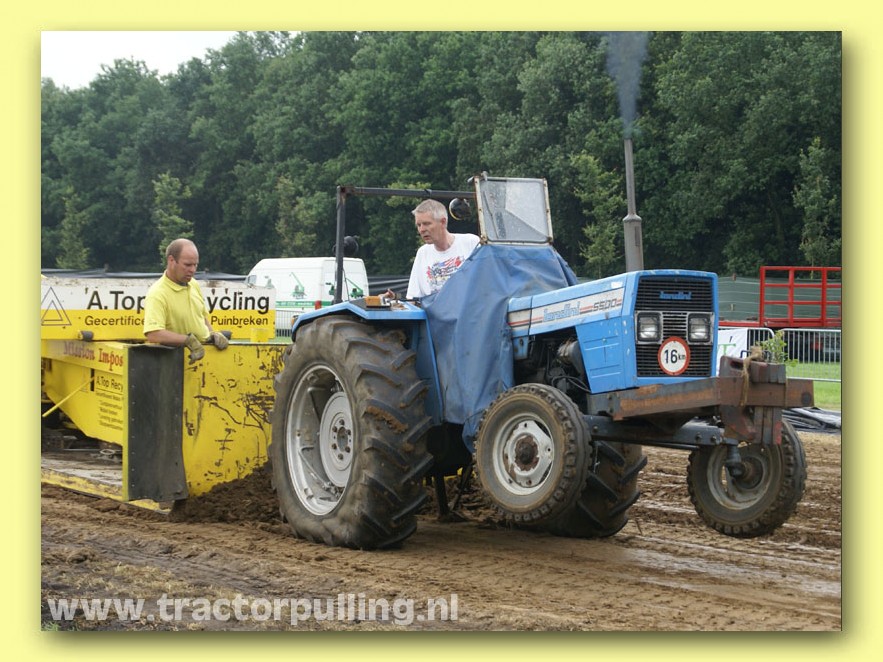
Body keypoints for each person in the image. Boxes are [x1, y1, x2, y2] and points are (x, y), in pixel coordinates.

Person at [143, 238, 228, 362]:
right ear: (171, 260)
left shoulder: (194, 284)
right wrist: (186, 340)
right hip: (175, 363)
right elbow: (154, 334)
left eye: (195, 265)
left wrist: (212, 333)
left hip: (205, 361)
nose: (193, 270)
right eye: (187, 265)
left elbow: (202, 317)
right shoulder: (158, 293)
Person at [404, 199, 480, 300]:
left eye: (426, 224)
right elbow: (413, 297)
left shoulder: (471, 243)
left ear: (443, 222)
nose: (422, 230)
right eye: (418, 225)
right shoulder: (422, 253)